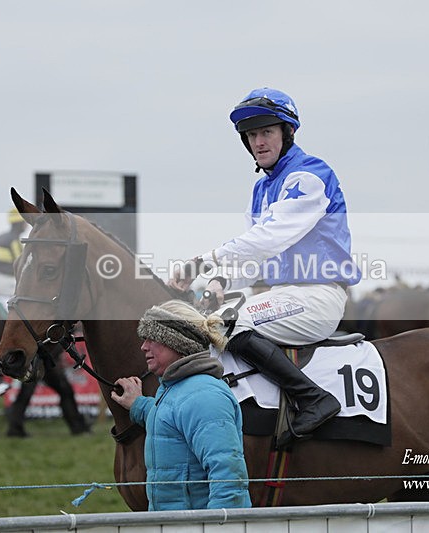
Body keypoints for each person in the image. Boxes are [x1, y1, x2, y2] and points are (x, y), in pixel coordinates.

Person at [168, 87, 360, 446]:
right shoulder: (261, 189)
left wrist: (203, 262)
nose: (258, 141)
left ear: (287, 133)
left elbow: (270, 237)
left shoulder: (309, 175)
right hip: (283, 294)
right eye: (252, 135)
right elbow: (252, 253)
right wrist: (221, 281)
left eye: (266, 132)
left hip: (319, 297)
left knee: (228, 322)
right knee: (208, 321)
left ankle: (314, 398)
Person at [111, 300, 251, 510]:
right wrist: (139, 405)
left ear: (177, 342)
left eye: (152, 338)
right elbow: (170, 420)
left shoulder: (204, 395)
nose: (144, 346)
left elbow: (229, 480)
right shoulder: (177, 390)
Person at [5, 348, 91, 438]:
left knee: (26, 394)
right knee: (65, 391)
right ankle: (77, 426)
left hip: (40, 360)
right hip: (41, 360)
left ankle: (15, 428)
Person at [0, 208, 27, 306]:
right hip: (3, 281)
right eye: (25, 222)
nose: (27, 225)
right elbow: (22, 266)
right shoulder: (15, 241)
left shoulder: (1, 236)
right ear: (20, 223)